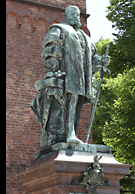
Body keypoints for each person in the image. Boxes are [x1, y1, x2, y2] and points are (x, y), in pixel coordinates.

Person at [33, 5, 110, 146]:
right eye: (72, 15)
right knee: (72, 101)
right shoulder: (59, 29)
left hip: (82, 78)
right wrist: (52, 71)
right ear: (66, 16)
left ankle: (72, 132)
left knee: (78, 103)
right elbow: (52, 50)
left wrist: (100, 63)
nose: (76, 17)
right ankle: (70, 134)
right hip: (67, 74)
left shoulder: (85, 38)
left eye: (77, 14)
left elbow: (91, 60)